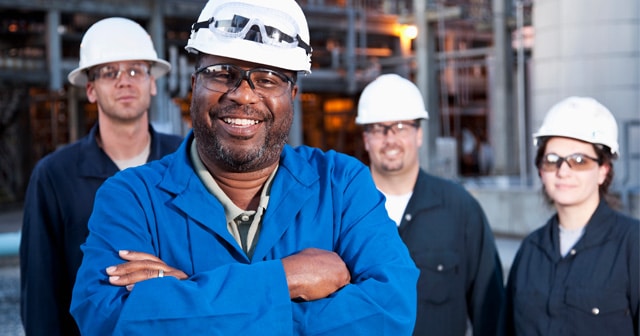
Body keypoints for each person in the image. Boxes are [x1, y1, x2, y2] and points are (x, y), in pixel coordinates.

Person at [70, 1, 419, 335]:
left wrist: (186, 296)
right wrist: (284, 279)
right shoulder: (131, 198)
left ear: (292, 95)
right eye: (222, 74)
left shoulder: (341, 185)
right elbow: (108, 319)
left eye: (267, 79)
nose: (243, 95)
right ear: (195, 85)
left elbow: (391, 312)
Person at [19, 17, 182, 336]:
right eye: (110, 72)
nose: (124, 81)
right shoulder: (54, 175)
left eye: (135, 70)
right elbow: (40, 294)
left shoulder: (185, 161)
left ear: (152, 82)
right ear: (91, 90)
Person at [356, 74, 505, 336]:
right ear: (366, 138)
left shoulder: (460, 209)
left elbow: (490, 311)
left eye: (401, 127)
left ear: (419, 134)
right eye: (379, 128)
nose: (390, 139)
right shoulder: (345, 211)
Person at [503, 96, 639, 335]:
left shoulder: (632, 245)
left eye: (579, 161)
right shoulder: (530, 251)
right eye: (552, 160)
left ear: (603, 171)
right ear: (540, 171)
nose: (563, 171)